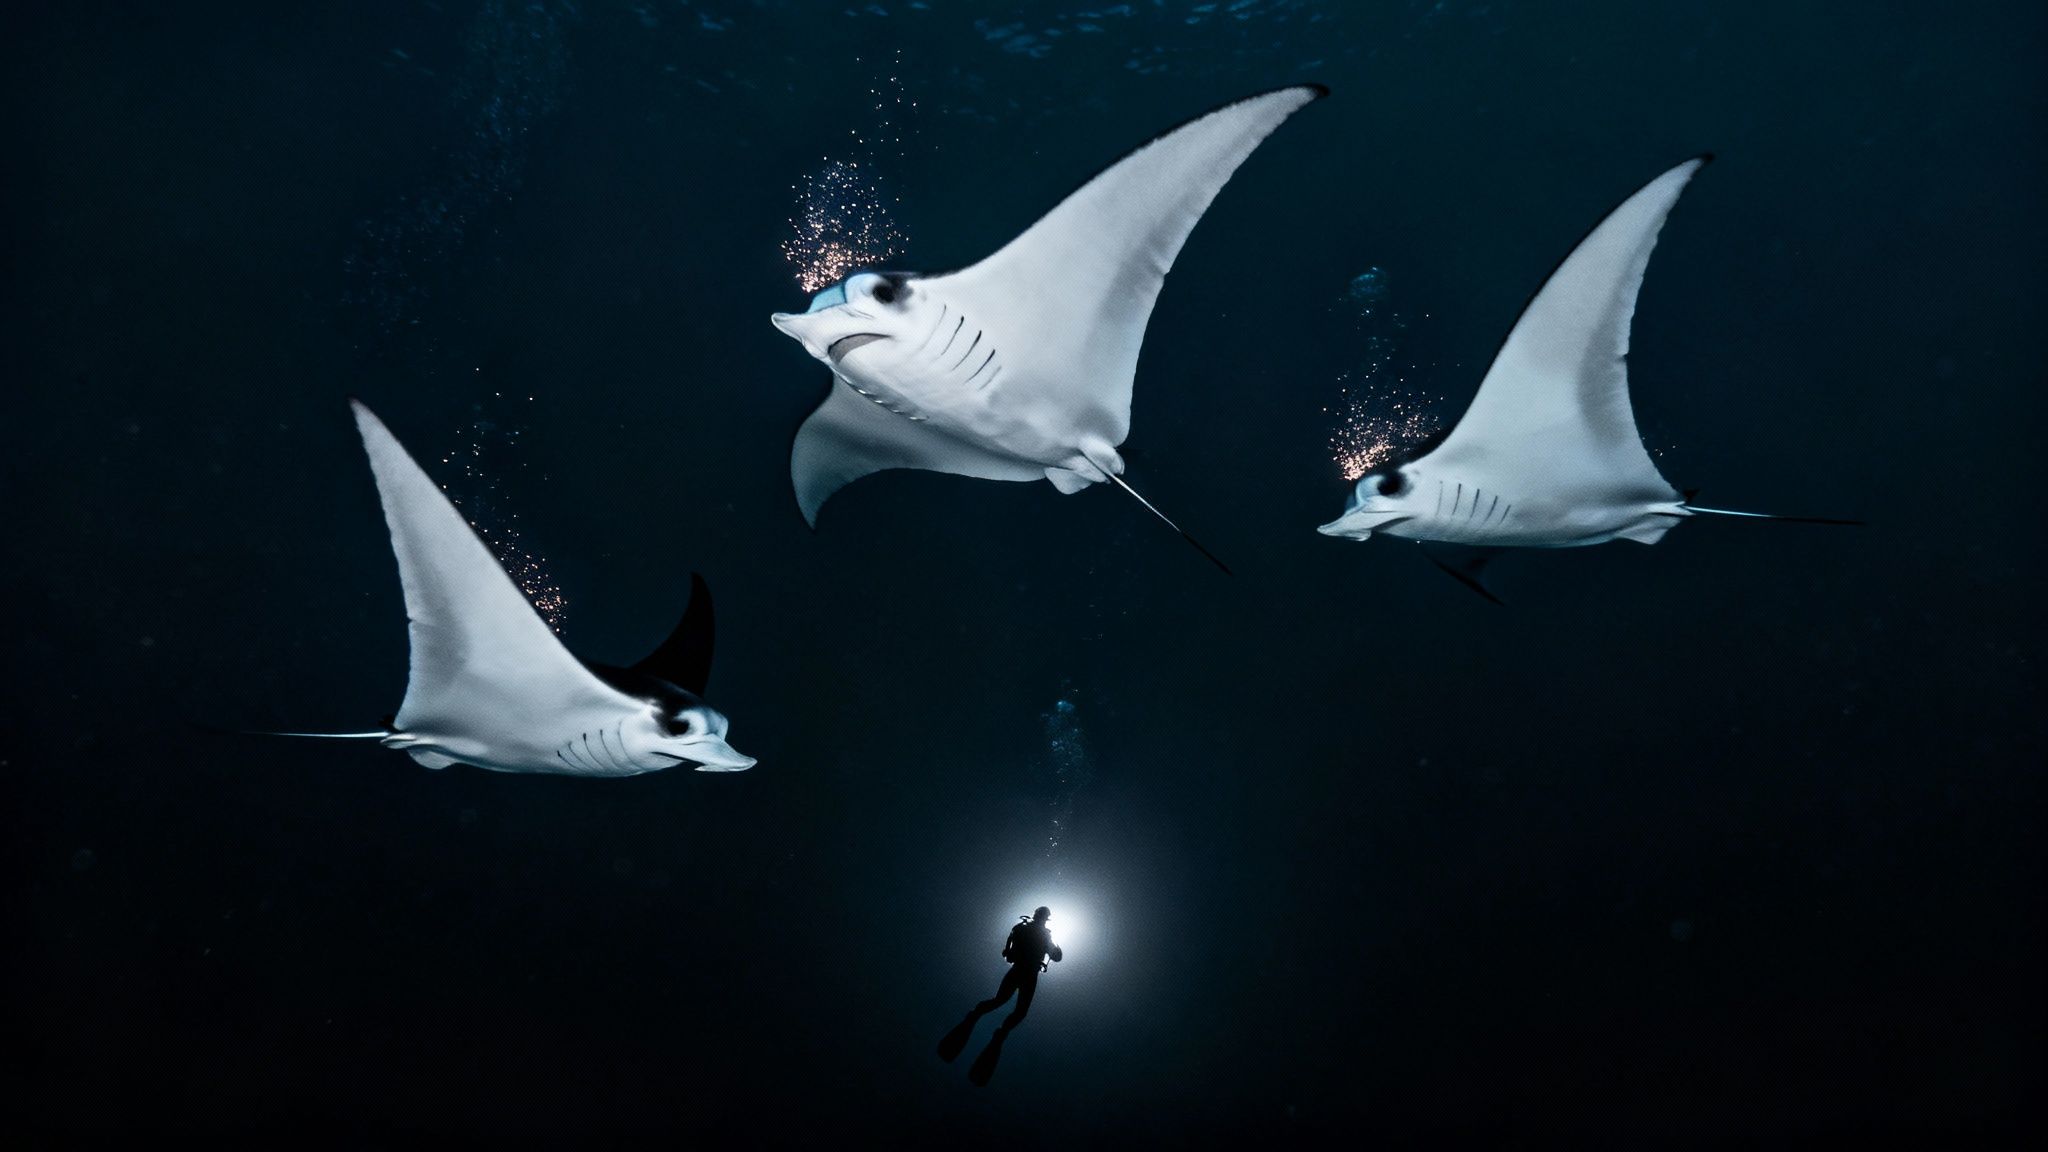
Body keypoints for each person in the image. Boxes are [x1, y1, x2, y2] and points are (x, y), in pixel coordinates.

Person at [972, 906, 1063, 1036]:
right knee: (1017, 1009)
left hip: (1020, 970)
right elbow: (1056, 956)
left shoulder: (1023, 928)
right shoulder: (1043, 935)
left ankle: (981, 1017)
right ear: (1045, 919)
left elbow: (1008, 949)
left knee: (1002, 1001)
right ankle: (1001, 1031)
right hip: (1028, 973)